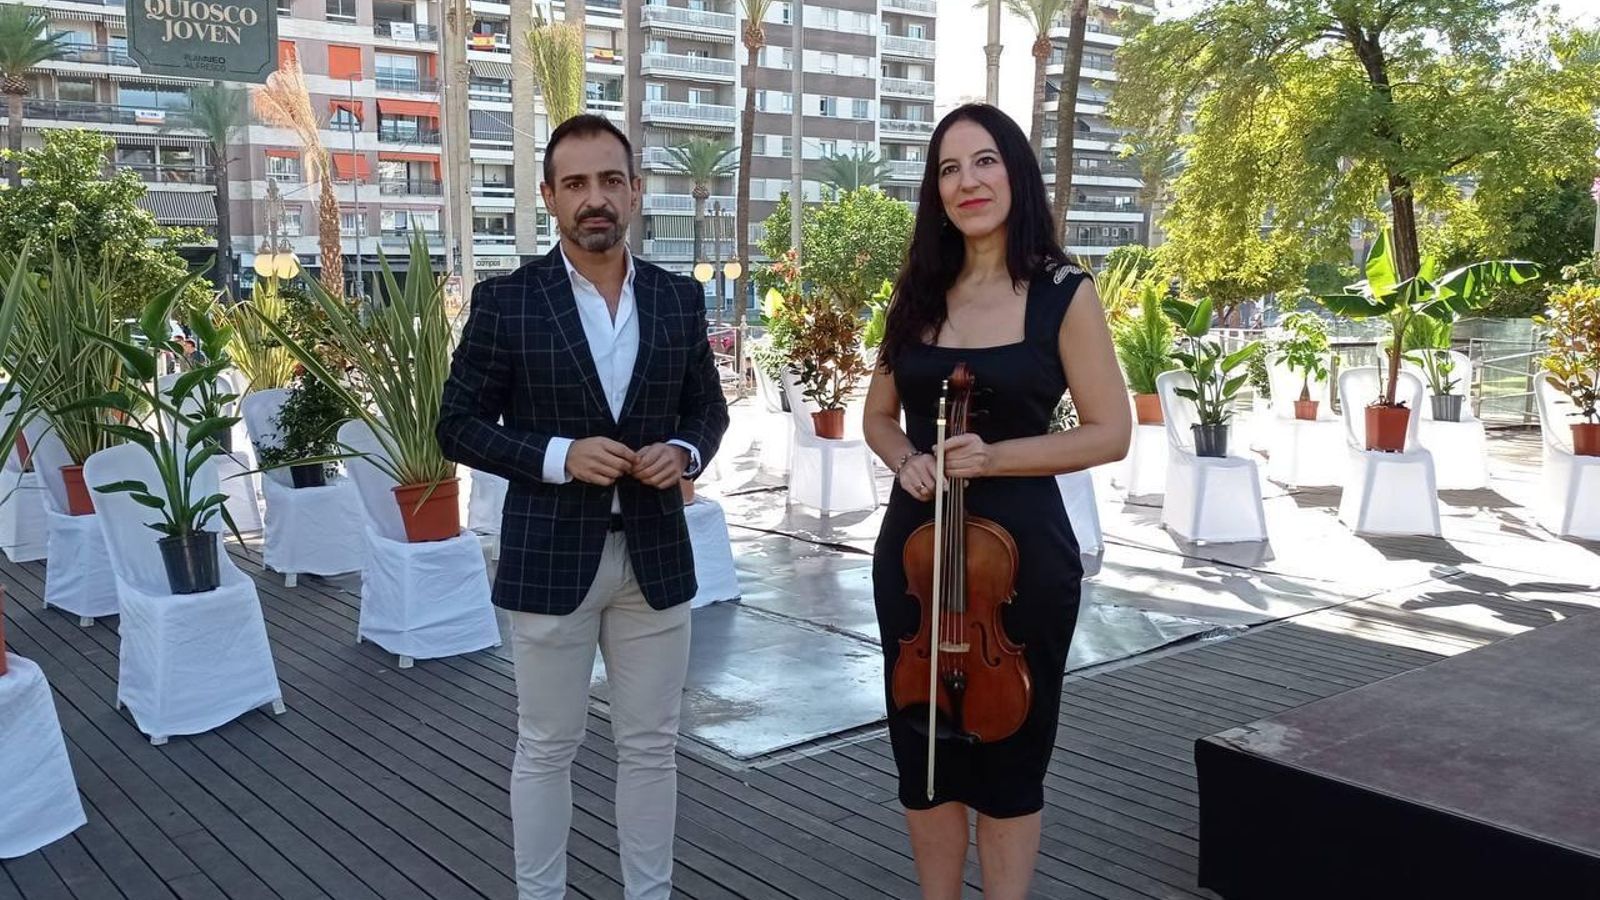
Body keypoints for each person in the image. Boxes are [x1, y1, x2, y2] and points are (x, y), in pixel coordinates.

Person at [435, 113, 729, 900]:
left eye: (609, 181)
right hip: (550, 557)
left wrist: (687, 452)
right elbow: (455, 424)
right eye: (575, 185)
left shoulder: (677, 299)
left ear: (635, 192)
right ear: (549, 198)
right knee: (545, 745)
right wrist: (559, 457)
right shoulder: (507, 302)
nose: (594, 199)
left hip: (656, 560)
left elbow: (709, 409)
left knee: (652, 747)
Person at [862, 103, 1132, 900]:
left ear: (1015, 173)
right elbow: (877, 417)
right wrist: (909, 457)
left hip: (1021, 564)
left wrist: (994, 457)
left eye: (984, 162)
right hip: (915, 555)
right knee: (925, 758)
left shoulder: (1062, 292)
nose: (967, 181)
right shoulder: (917, 292)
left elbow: (1111, 432)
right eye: (948, 168)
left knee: (1011, 759)